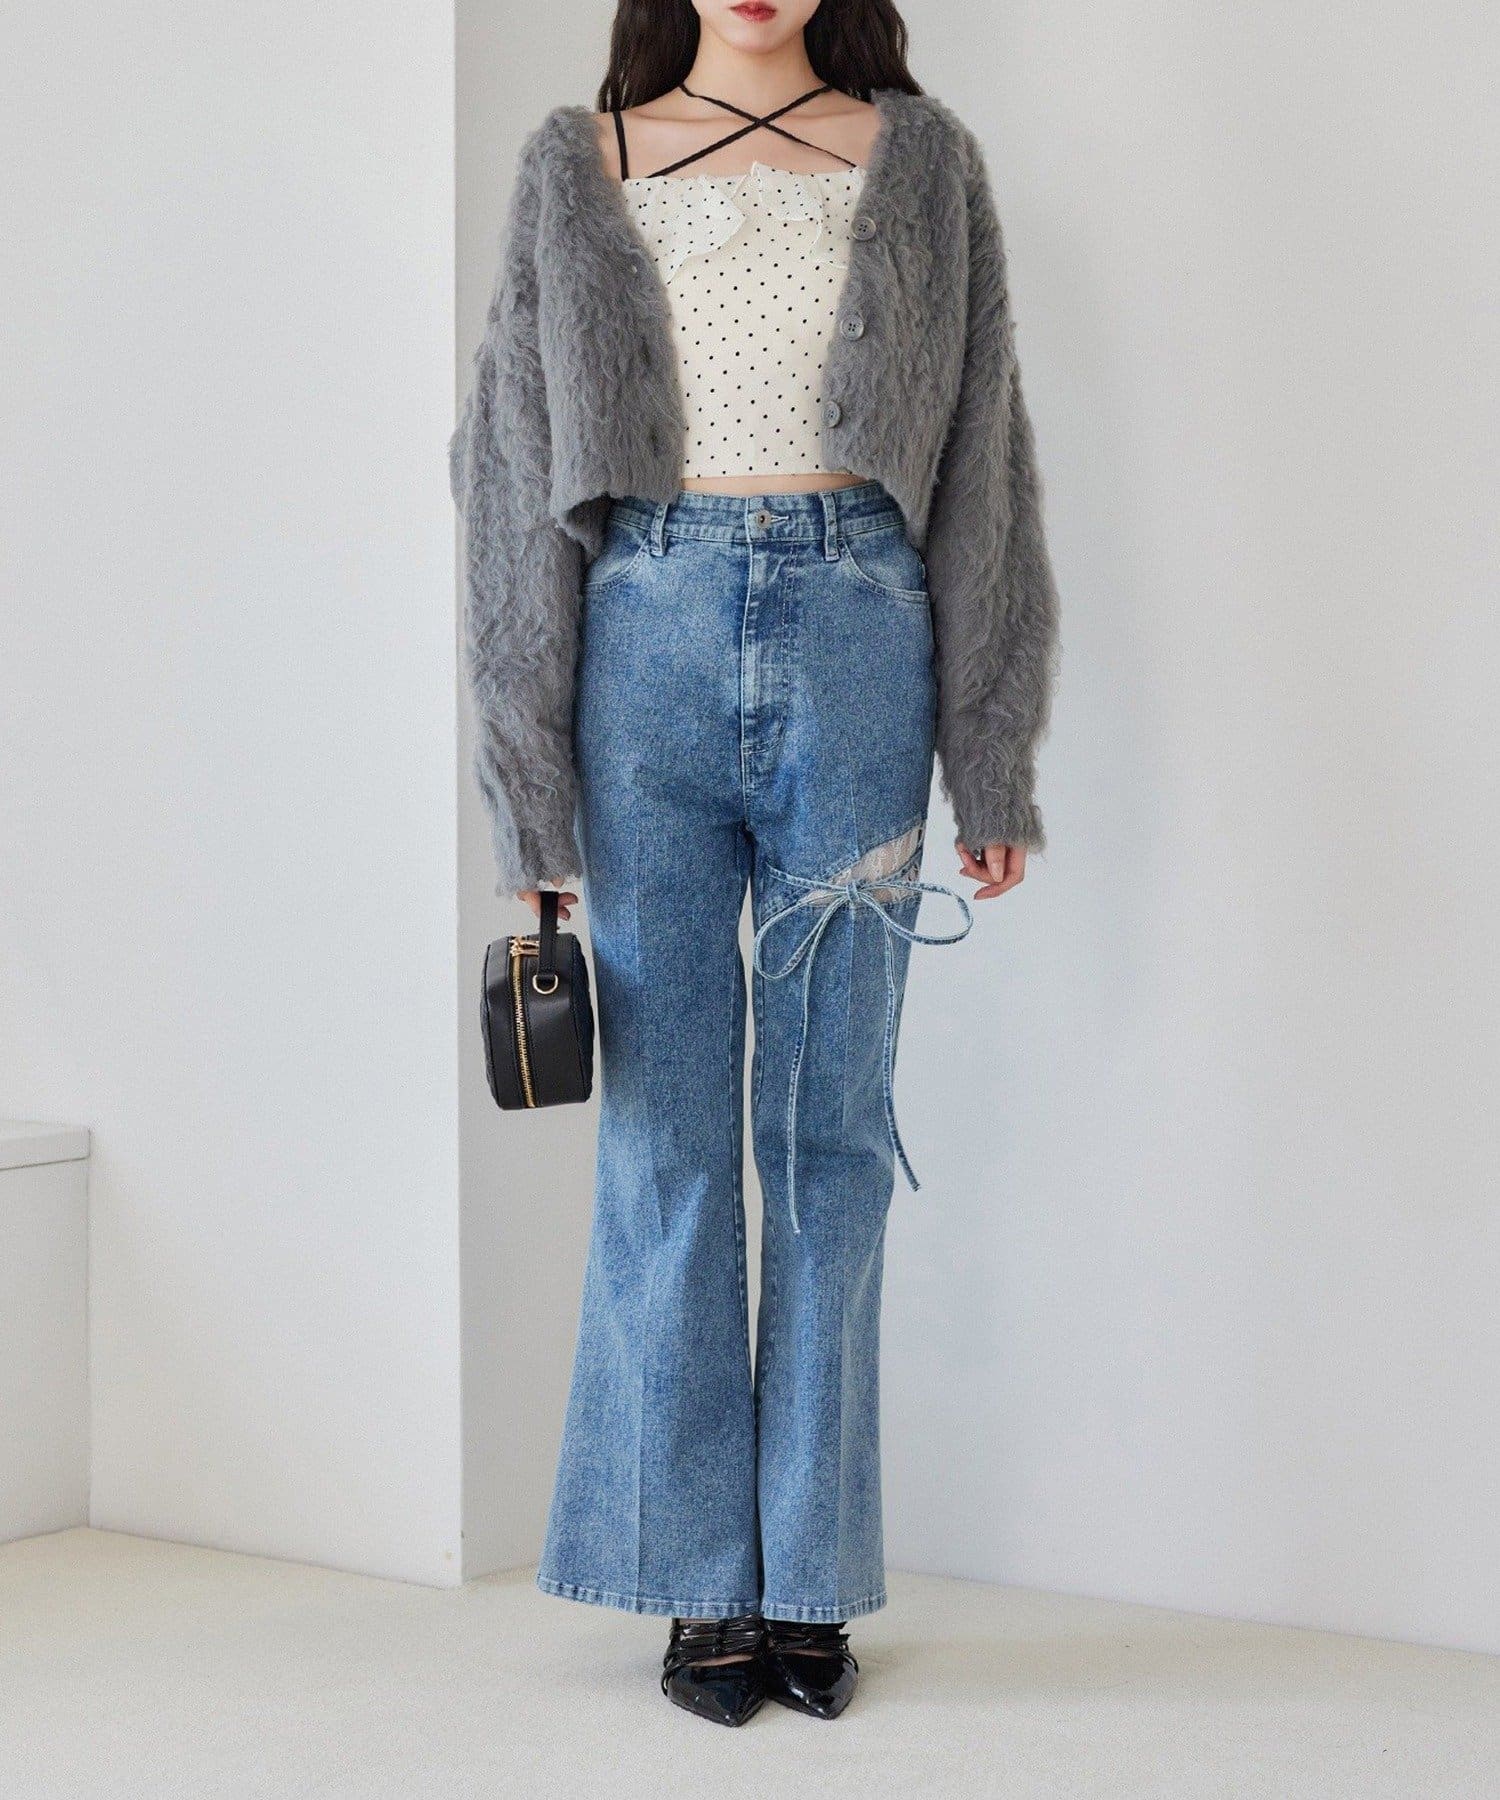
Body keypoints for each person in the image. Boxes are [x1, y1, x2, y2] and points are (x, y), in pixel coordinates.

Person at [450, 0, 1060, 1726]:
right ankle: (696, 1585)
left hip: (864, 634)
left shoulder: (923, 162)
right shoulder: (579, 163)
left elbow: (987, 465)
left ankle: (809, 1581)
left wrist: (991, 754)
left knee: (829, 1131)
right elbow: (509, 482)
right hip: (638, 641)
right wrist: (528, 797)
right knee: (665, 1140)